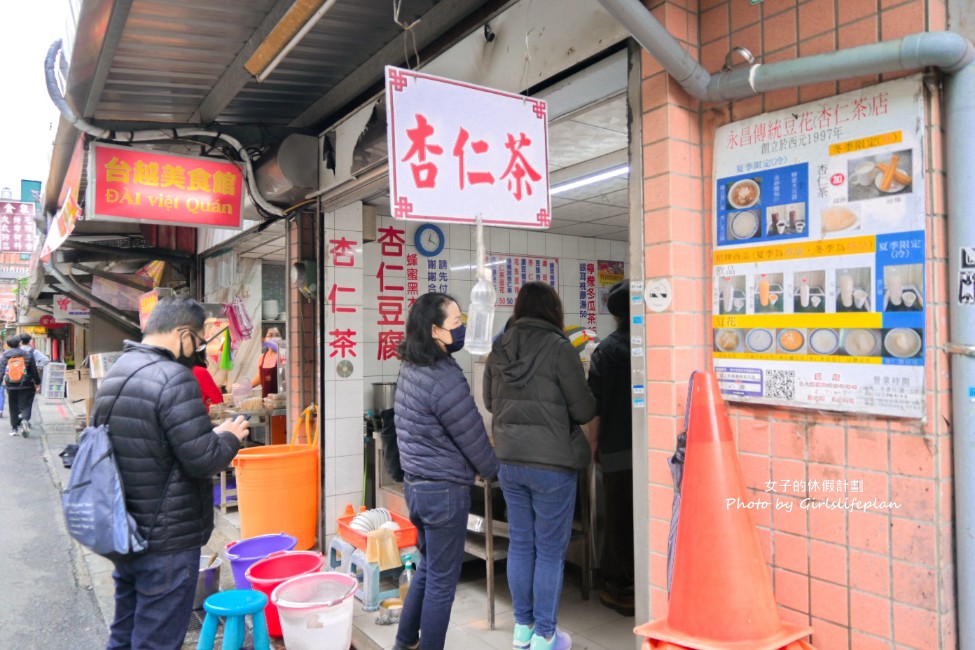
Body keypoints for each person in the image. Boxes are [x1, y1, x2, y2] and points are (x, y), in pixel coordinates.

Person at [93, 295, 250, 650]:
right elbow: (203, 459)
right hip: (167, 538)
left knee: (126, 630)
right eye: (198, 340)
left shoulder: (117, 373)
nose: (199, 350)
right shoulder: (175, 378)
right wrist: (229, 437)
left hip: (124, 529)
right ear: (182, 334)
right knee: (159, 638)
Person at [483, 281, 597, 650]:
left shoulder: (499, 346)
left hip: (510, 461)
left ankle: (522, 629)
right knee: (549, 550)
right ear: (553, 310)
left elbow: (488, 400)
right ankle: (546, 634)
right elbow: (583, 409)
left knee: (521, 543)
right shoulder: (560, 348)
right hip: (552, 464)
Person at [393, 292, 499, 650]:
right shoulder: (443, 377)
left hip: (417, 487)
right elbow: (471, 436)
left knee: (428, 569)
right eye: (456, 322)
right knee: (442, 580)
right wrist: (493, 471)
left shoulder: (411, 366)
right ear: (436, 331)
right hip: (443, 492)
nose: (463, 327)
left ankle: (404, 641)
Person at [586, 280, 635, 616]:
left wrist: (593, 444)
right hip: (655, 449)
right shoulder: (657, 344)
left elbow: (595, 406)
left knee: (619, 520)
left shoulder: (606, 350)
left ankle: (621, 590)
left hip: (617, 449)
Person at [0, 335, 41, 437]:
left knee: (13, 405)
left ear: (8, 345)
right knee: (26, 404)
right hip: (26, 383)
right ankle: (25, 420)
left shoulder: (4, 356)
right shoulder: (27, 354)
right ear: (19, 343)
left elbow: (1, 372)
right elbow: (34, 371)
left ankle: (14, 428)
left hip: (11, 384)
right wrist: (37, 382)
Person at [251, 327, 281, 397]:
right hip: (266, 400)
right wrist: (247, 387)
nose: (274, 338)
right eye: (270, 335)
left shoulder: (283, 356)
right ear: (264, 339)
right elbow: (260, 377)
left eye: (277, 335)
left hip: (280, 400)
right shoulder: (262, 357)